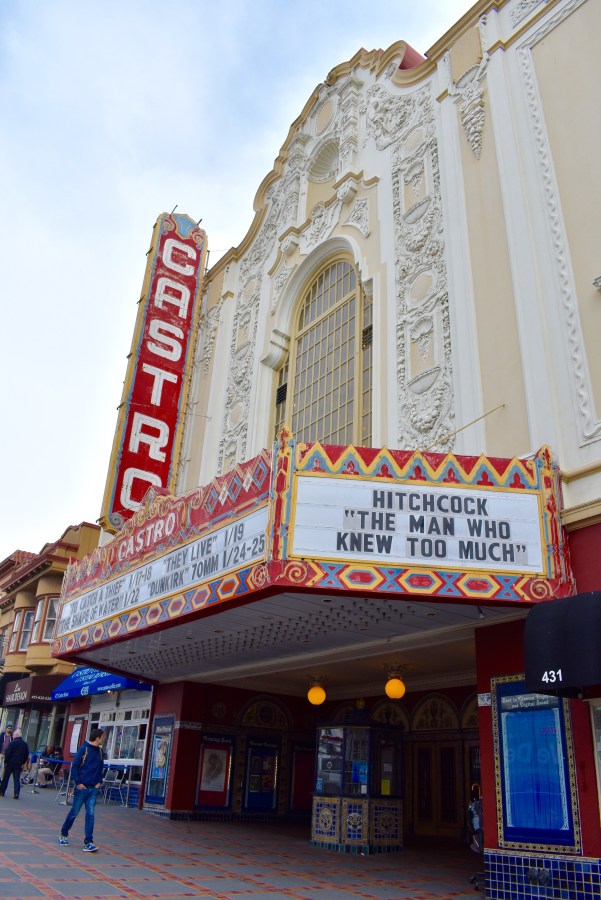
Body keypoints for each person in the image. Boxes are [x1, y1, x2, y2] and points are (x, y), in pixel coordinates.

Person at [59, 728, 104, 852]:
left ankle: (89, 842)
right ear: (98, 738)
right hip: (82, 787)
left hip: (93, 788)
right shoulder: (84, 749)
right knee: (74, 812)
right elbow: (74, 766)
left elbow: (101, 768)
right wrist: (78, 783)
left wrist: (99, 782)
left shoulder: (100, 752)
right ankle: (63, 834)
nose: (103, 739)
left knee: (90, 814)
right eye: (102, 737)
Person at [0, 728, 29, 799]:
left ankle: (2, 791)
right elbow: (26, 755)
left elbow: (8, 753)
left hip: (10, 763)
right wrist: (22, 762)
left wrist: (6, 762)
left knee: (5, 778)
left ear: (16, 735)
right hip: (18, 763)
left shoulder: (12, 743)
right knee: (16, 779)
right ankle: (16, 793)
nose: (12, 736)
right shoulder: (24, 744)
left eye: (13, 735)